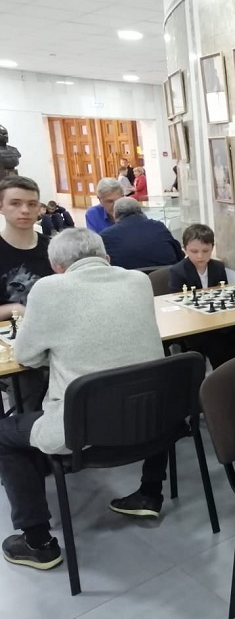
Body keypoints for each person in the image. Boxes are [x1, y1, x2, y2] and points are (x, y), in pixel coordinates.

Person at [0, 228, 168, 571]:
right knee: (144, 380)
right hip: (152, 420)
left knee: (4, 434)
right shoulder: (139, 281)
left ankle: (38, 542)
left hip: (84, 430)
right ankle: (150, 492)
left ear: (56, 267)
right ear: (106, 258)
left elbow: (27, 356)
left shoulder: (48, 289)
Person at [0, 176, 52, 412]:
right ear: (1, 207)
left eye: (32, 204)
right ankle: (27, 429)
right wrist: (15, 309)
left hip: (54, 334)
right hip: (13, 343)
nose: (25, 210)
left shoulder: (52, 247)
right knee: (30, 383)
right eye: (16, 203)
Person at [168, 223, 235, 368]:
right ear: (185, 249)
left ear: (212, 248)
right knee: (215, 344)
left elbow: (223, 296)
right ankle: (221, 373)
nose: (200, 256)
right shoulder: (178, 271)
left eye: (205, 251)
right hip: (194, 325)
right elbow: (177, 304)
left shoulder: (218, 267)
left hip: (218, 321)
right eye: (194, 251)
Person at [100, 197, 184, 270]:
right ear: (141, 210)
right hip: (165, 280)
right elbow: (179, 255)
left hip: (127, 281)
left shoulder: (106, 236)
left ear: (115, 214)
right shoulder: (158, 227)